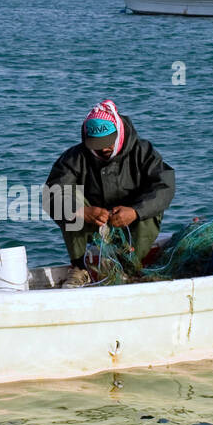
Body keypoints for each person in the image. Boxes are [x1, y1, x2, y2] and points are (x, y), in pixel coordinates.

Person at [43, 100, 175, 287]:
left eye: (107, 143)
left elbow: (165, 186)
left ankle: (129, 269)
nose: (103, 149)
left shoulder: (144, 153)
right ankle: (81, 268)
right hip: (92, 228)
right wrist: (82, 212)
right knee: (67, 198)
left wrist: (135, 212)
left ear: (119, 134)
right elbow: (51, 195)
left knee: (150, 207)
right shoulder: (74, 158)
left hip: (132, 228)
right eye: (97, 145)